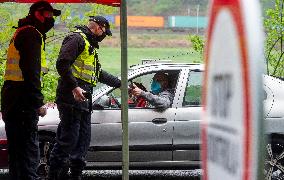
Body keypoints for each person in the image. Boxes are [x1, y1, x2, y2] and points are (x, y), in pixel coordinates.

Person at [48, 16, 121, 180]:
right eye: (104, 32)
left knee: (83, 141)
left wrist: (121, 83)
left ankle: (76, 175)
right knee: (68, 139)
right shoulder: (76, 39)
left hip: (84, 98)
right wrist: (74, 87)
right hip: (70, 96)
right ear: (98, 28)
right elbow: (62, 63)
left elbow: (98, 74)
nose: (104, 36)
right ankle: (53, 175)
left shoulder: (90, 45)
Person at [0, 1, 61, 180]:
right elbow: (31, 73)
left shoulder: (23, 31)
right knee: (27, 156)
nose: (51, 20)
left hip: (13, 100)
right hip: (23, 104)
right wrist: (38, 103)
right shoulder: (30, 34)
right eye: (49, 15)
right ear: (38, 14)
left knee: (18, 157)